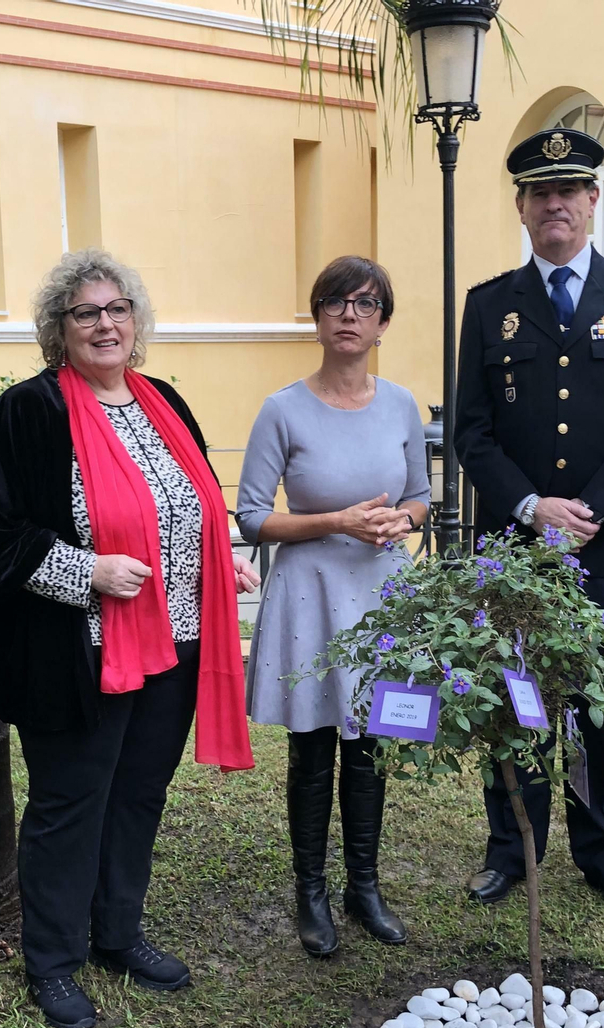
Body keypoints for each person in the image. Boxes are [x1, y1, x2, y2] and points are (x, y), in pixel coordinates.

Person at [0, 248, 258, 1028]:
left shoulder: (163, 400)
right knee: (69, 803)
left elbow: (187, 504)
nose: (105, 324)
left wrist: (219, 563)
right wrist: (85, 570)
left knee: (138, 795)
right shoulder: (30, 413)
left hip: (177, 642)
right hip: (79, 654)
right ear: (58, 331)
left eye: (117, 308)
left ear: (137, 321)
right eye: (86, 312)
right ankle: (53, 962)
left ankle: (118, 934)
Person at [453, 127, 604, 917]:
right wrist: (529, 506)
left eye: (570, 190)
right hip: (514, 547)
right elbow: (470, 432)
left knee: (597, 702)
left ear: (593, 200)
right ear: (521, 207)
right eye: (539, 192)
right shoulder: (489, 307)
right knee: (516, 698)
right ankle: (511, 849)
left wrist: (586, 512)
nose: (555, 203)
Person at [236, 256, 430, 957]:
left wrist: (399, 523)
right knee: (315, 746)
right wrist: (336, 522)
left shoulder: (402, 404)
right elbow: (253, 518)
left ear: (383, 323)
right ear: (317, 318)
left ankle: (364, 885)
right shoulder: (282, 409)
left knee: (370, 745)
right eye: (336, 302)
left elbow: (420, 497)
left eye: (366, 303)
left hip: (380, 592)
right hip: (311, 593)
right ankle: (311, 888)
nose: (350, 314)